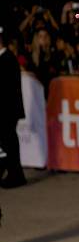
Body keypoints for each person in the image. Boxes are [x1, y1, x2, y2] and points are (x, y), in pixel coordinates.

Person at [0, 27, 27, 188]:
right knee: (6, 143)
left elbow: (8, 88)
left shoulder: (8, 58)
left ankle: (16, 175)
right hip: (5, 110)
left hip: (7, 110)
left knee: (9, 143)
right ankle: (12, 173)